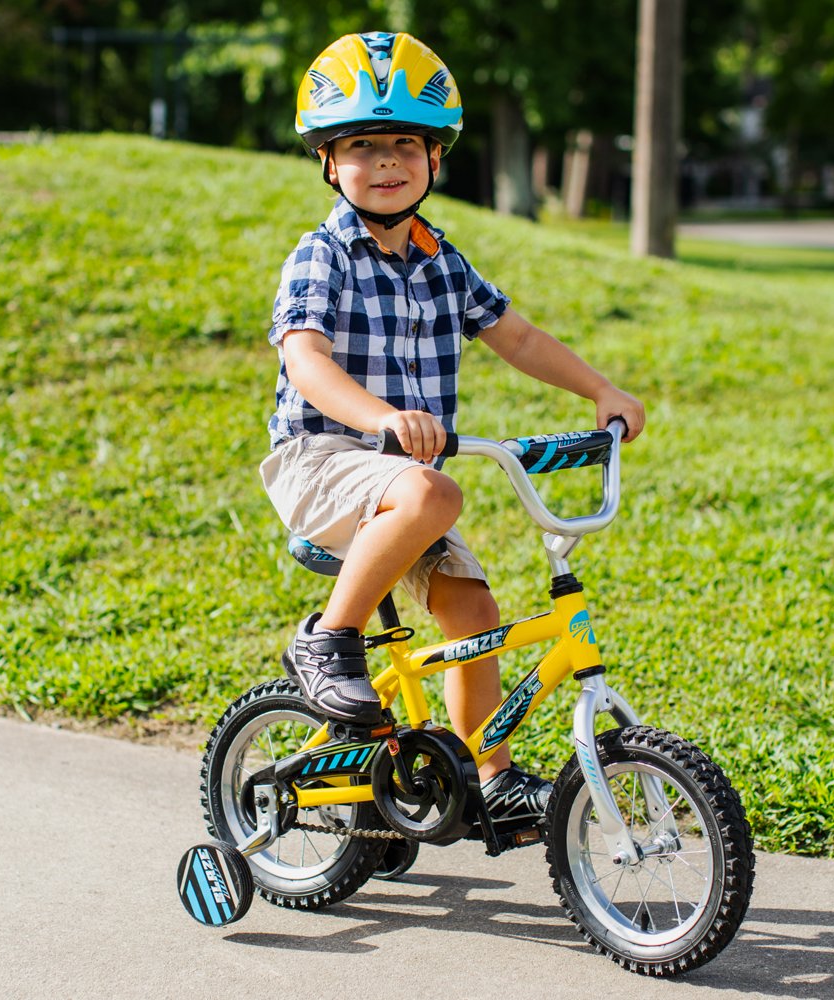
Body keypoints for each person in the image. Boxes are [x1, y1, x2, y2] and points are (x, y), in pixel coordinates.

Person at [262, 31, 645, 826]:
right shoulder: (321, 255)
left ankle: (486, 774)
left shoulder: (442, 261)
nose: (388, 161)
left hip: (405, 482)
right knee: (436, 491)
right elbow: (306, 362)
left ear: (436, 158)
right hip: (324, 459)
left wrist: (599, 388)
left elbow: (516, 336)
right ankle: (329, 640)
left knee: (473, 608)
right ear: (330, 164)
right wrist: (383, 418)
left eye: (406, 142)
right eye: (363, 146)